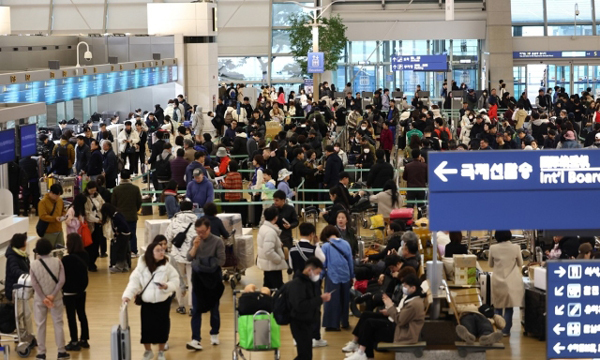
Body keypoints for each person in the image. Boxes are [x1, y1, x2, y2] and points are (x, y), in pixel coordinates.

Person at [344, 274, 426, 360]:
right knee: (367, 316)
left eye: (405, 286)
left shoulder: (414, 304)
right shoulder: (412, 298)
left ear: (413, 288)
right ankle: (361, 351)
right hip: (399, 326)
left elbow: (400, 320)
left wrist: (390, 306)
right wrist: (390, 310)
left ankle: (362, 353)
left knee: (369, 324)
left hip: (402, 333)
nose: (403, 288)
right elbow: (401, 314)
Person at [122, 241, 179, 360]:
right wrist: (127, 295)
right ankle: (148, 351)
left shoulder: (167, 266)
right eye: (158, 250)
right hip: (147, 303)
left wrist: (167, 286)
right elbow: (134, 282)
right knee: (146, 328)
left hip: (162, 302)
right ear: (150, 253)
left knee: (162, 328)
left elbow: (175, 280)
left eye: (162, 250)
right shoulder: (141, 267)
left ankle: (161, 351)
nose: (161, 252)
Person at [186, 218, 226, 350]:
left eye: (202, 231)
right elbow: (189, 257)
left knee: (214, 308)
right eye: (197, 231)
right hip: (198, 279)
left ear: (209, 229)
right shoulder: (195, 240)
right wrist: (195, 247)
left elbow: (221, 260)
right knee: (196, 309)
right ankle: (195, 339)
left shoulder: (217, 241)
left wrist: (205, 262)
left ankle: (215, 333)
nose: (200, 234)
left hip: (213, 279)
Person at [29, 238, 70, 360]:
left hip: (39, 300)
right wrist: (53, 294)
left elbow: (34, 283)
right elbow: (62, 280)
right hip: (56, 298)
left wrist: (43, 297)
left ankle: (41, 353)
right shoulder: (57, 262)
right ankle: (61, 351)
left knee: (40, 325)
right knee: (58, 323)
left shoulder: (33, 264)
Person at [288, 257, 332, 360]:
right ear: (309, 270)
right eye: (317, 273)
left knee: (306, 355)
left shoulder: (308, 282)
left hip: (307, 322)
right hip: (299, 323)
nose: (317, 276)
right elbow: (300, 305)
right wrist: (320, 299)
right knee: (305, 355)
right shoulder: (297, 284)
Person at [488, 230, 524, 337]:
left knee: (497, 307)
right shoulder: (516, 247)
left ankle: (497, 328)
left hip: (497, 281)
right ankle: (506, 331)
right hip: (512, 281)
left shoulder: (493, 248)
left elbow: (490, 264)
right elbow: (520, 263)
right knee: (509, 307)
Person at [165, 201, 196, 314]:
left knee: (177, 279)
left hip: (177, 255)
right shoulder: (197, 221)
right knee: (192, 281)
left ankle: (181, 305)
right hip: (192, 255)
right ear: (192, 208)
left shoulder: (174, 221)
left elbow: (168, 237)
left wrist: (168, 249)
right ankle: (192, 306)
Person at [321, 225, 354, 331]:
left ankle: (332, 324)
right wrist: (352, 275)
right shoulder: (346, 244)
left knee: (332, 300)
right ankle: (344, 322)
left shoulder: (326, 246)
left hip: (332, 276)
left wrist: (320, 277)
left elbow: (323, 264)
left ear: (325, 236)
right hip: (345, 275)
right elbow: (350, 261)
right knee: (345, 299)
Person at [61, 233, 90, 351]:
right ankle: (84, 339)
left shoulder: (66, 259)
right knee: (82, 314)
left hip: (69, 292)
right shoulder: (85, 255)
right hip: (81, 290)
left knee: (71, 317)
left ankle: (74, 341)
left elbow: (62, 276)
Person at [111, 169, 142, 257]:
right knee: (132, 233)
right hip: (132, 215)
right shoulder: (135, 189)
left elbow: (113, 203)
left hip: (120, 217)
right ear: (129, 177)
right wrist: (135, 210)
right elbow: (139, 202)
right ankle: (133, 251)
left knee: (121, 235)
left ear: (120, 177)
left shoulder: (116, 189)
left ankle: (123, 252)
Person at [256, 206, 288, 289]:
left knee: (268, 287)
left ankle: (266, 301)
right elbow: (268, 251)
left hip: (268, 265)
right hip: (272, 265)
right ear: (276, 217)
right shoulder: (270, 232)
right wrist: (278, 259)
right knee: (279, 288)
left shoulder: (264, 228)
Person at [101, 203, 131, 273]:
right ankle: (125, 266)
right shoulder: (118, 214)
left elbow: (123, 225)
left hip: (123, 235)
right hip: (126, 234)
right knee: (123, 251)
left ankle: (119, 267)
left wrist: (117, 230)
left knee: (120, 251)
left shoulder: (116, 216)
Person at [38, 184, 67, 248]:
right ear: (51, 192)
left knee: (60, 250)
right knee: (49, 251)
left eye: (59, 195)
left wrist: (64, 215)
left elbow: (63, 210)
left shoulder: (60, 200)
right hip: (49, 232)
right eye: (56, 195)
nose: (58, 197)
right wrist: (55, 218)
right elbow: (42, 216)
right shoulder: (43, 202)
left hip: (59, 230)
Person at [5, 233, 31, 301]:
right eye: (25, 241)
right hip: (15, 289)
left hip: (22, 287)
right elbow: (15, 270)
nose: (26, 243)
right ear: (21, 243)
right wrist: (27, 276)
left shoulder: (22, 254)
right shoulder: (12, 256)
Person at [402, 149, 427, 217]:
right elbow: (427, 178)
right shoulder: (424, 166)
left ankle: (409, 222)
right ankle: (420, 220)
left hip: (411, 189)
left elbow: (404, 177)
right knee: (421, 207)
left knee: (410, 206)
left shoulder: (408, 166)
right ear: (419, 156)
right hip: (421, 188)